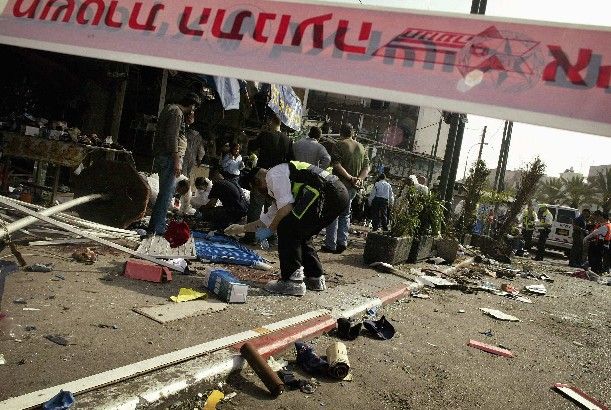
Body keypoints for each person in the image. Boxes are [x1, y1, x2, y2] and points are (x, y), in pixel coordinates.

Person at [225, 161, 349, 296]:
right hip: (339, 195)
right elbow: (266, 220)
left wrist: (270, 230)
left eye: (258, 189)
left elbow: (285, 209)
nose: (261, 193)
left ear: (257, 181)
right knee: (301, 232)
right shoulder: (282, 182)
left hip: (326, 192)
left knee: (286, 226)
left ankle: (292, 281)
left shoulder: (273, 175)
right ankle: (315, 278)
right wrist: (240, 228)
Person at [148, 91, 201, 235]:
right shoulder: (176, 112)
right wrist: (177, 160)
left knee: (166, 194)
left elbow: (176, 134)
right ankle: (156, 229)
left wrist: (188, 123)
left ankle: (156, 226)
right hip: (169, 158)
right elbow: (172, 138)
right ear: (191, 106)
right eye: (194, 108)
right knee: (166, 195)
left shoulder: (171, 110)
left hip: (166, 157)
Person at [322, 123, 370, 254]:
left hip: (340, 185)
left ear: (341, 133)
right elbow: (367, 167)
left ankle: (330, 244)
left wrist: (349, 177)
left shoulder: (339, 144)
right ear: (353, 132)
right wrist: (359, 179)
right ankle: (342, 242)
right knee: (345, 214)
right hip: (354, 187)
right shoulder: (362, 147)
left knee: (333, 214)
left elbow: (336, 165)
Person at [245, 113, 293, 243]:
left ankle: (250, 237)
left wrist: (260, 132)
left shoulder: (265, 135)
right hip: (278, 180)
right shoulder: (287, 140)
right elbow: (290, 161)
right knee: (273, 209)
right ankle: (272, 237)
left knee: (255, 206)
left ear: (271, 121)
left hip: (262, 177)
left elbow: (251, 147)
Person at [182, 111, 205, 179]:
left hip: (184, 156)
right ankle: (185, 187)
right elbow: (201, 150)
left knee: (182, 174)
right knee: (188, 174)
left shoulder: (186, 133)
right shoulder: (199, 137)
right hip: (193, 158)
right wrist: (199, 159)